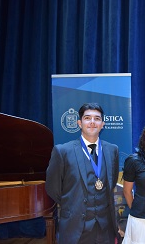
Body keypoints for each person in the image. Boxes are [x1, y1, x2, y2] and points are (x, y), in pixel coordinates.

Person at [46, 103, 119, 244]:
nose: (92, 122)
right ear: (79, 123)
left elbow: (112, 181)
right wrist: (73, 205)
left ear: (102, 124)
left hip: (105, 228)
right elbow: (52, 188)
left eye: (97, 119)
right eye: (87, 118)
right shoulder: (62, 151)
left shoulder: (112, 150)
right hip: (75, 227)